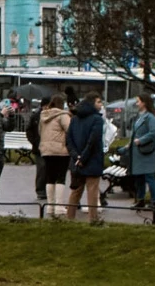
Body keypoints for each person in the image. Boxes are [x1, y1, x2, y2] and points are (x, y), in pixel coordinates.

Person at [65, 94, 106, 223]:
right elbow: (93, 141)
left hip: (77, 161)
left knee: (76, 191)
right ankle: (93, 219)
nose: (101, 105)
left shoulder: (75, 118)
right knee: (92, 191)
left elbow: (68, 140)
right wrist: (83, 158)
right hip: (92, 160)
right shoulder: (97, 120)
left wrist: (76, 156)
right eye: (99, 102)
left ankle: (69, 218)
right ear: (91, 103)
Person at [37, 95, 71, 215]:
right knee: (60, 177)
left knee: (50, 177)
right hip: (60, 150)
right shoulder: (63, 115)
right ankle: (59, 206)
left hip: (46, 150)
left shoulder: (43, 115)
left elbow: (40, 132)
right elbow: (70, 130)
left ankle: (50, 206)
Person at [128, 94, 155, 209]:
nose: (136, 104)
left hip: (148, 153)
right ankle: (140, 200)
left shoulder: (151, 117)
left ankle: (154, 201)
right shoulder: (139, 117)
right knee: (139, 178)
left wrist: (140, 141)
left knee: (149, 177)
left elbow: (153, 133)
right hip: (139, 153)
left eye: (138, 101)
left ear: (144, 103)